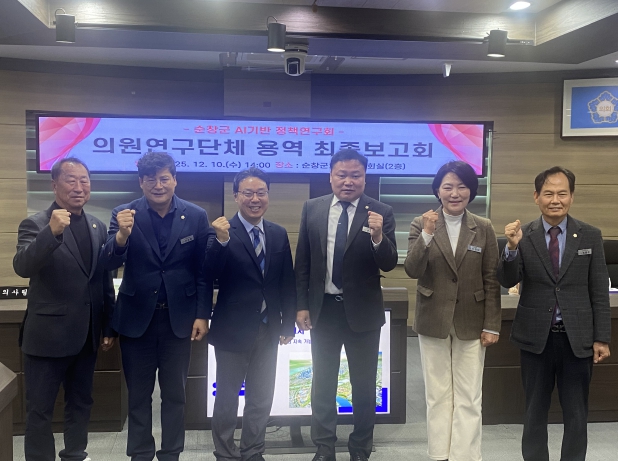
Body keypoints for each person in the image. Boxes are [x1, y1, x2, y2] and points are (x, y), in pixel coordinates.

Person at [102, 152, 211, 461]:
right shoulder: (124, 214)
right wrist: (121, 236)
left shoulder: (196, 215)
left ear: (175, 180)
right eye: (151, 179)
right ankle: (140, 454)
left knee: (175, 395)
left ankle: (171, 453)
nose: (158, 185)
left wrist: (202, 314)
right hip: (137, 320)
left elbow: (203, 271)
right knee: (138, 395)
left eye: (164, 178)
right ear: (141, 182)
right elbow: (107, 262)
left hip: (179, 319)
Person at [497, 166, 611, 461]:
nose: (555, 200)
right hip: (536, 338)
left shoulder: (590, 235)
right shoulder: (524, 235)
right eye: (548, 193)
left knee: (576, 413)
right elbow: (507, 280)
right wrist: (511, 247)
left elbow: (599, 290)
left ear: (572, 196)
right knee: (534, 411)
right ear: (536, 196)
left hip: (578, 340)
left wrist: (602, 337)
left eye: (562, 193)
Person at [295, 149, 398, 461]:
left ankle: (360, 449)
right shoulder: (312, 208)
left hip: (363, 313)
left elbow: (389, 263)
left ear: (365, 178)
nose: (348, 181)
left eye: (356, 175)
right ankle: (324, 448)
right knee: (323, 383)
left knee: (364, 386)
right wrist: (301, 305)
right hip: (323, 310)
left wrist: (378, 236)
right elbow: (303, 262)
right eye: (342, 175)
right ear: (331, 176)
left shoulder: (381, 211)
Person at [13, 157, 116, 461]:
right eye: (71, 180)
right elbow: (22, 266)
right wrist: (52, 233)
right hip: (47, 338)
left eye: (84, 180)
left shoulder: (97, 226)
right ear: (54, 185)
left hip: (86, 336)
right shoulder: (36, 224)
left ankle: (74, 454)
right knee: (40, 410)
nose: (79, 186)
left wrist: (107, 326)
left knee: (81, 403)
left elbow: (103, 280)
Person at [404, 160, 501, 461]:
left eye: (462, 186)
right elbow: (412, 269)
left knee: (469, 396)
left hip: (472, 320)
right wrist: (427, 235)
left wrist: (492, 324)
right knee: (437, 395)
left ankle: (465, 456)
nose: (455, 193)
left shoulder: (483, 227)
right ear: (438, 191)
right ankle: (439, 455)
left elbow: (491, 278)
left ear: (471, 191)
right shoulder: (422, 224)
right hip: (433, 317)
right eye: (448, 187)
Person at [206, 167, 297, 461]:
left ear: (268, 195)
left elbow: (286, 281)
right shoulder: (222, 231)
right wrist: (220, 241)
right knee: (227, 396)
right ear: (236, 196)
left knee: (261, 396)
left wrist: (288, 323)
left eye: (261, 193)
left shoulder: (278, 233)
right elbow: (208, 274)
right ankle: (225, 452)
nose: (255, 199)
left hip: (268, 328)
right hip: (232, 329)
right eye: (248, 193)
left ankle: (253, 451)